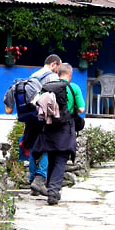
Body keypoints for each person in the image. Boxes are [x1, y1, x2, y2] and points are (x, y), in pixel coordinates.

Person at [32, 63, 85, 205]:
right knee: (61, 160)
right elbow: (81, 109)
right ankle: (54, 193)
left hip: (49, 128)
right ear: (70, 74)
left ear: (57, 72)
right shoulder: (74, 88)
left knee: (51, 157)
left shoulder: (48, 87)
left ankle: (50, 189)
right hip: (65, 129)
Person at [25, 54, 62, 196]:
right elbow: (54, 99)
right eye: (57, 68)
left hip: (31, 116)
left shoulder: (34, 75)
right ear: (54, 64)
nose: (57, 71)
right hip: (43, 116)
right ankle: (40, 179)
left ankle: (32, 180)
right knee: (47, 147)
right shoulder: (51, 77)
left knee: (35, 148)